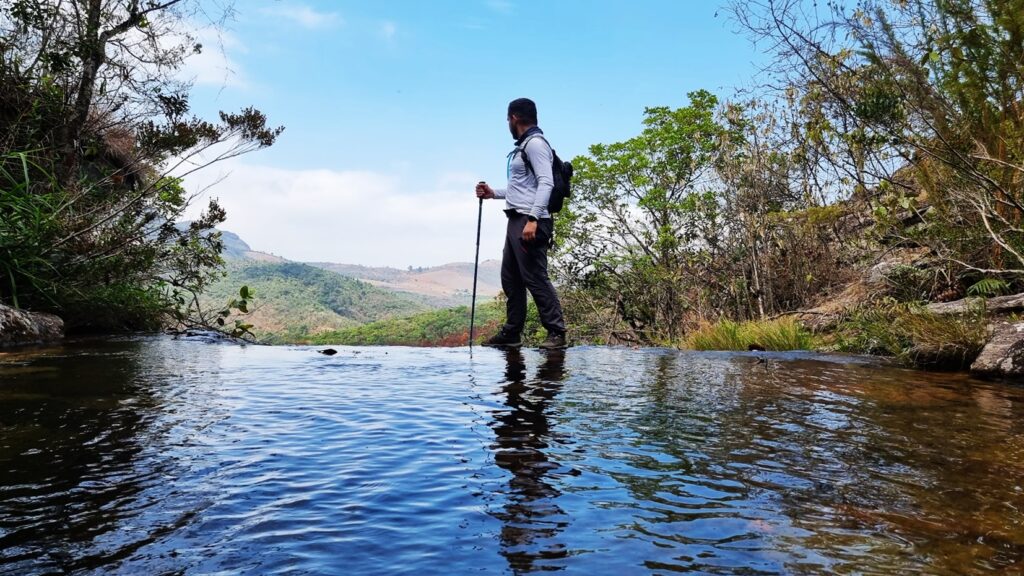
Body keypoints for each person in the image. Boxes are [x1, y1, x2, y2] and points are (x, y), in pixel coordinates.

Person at [476, 98, 567, 350]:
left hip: (530, 221)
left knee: (535, 277)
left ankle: (557, 333)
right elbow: (524, 188)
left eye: (507, 119)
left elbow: (546, 183)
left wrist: (534, 219)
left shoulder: (536, 144)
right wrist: (492, 193)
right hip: (518, 218)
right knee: (512, 278)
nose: (507, 123)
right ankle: (512, 332)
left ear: (513, 118)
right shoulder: (526, 145)